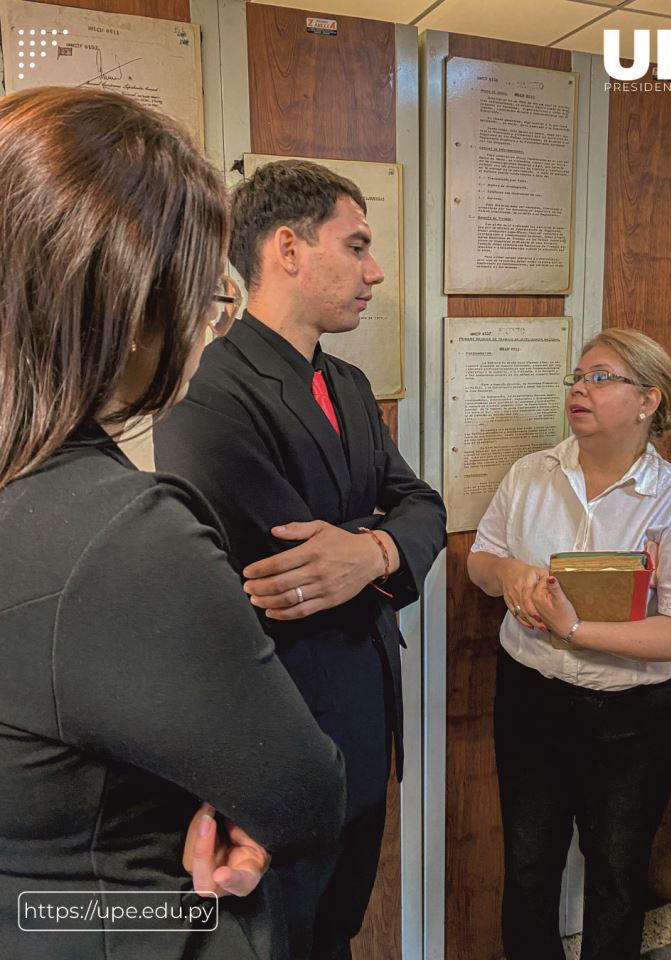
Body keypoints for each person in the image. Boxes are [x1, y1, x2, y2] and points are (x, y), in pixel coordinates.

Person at [0, 87, 346, 960]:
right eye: (201, 291)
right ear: (126, 304)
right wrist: (231, 808)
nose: (208, 319)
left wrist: (378, 544)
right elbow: (302, 793)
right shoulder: (120, 535)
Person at [153, 159, 447, 960]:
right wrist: (368, 539)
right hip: (273, 740)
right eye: (355, 246)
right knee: (281, 939)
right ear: (287, 248)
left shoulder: (349, 385)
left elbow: (424, 504)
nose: (375, 271)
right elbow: (284, 556)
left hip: (361, 723)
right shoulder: (209, 388)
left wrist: (373, 546)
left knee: (336, 931)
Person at [467, 329, 671, 960]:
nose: (579, 388)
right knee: (529, 866)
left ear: (647, 401)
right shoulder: (532, 474)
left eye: (601, 377)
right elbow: (480, 558)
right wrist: (509, 576)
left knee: (614, 872)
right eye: (576, 378)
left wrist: (573, 627)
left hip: (631, 721)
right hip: (531, 700)